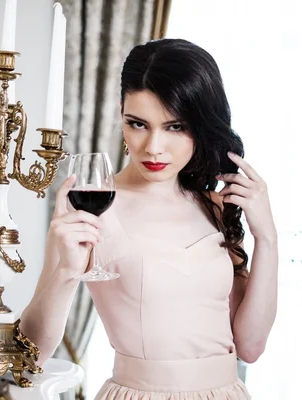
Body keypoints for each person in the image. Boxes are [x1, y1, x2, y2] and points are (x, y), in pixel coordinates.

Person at [19, 38, 278, 399]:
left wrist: (268, 239)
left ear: (202, 127)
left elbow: (250, 346)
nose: (154, 147)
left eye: (175, 127)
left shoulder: (214, 206)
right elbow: (32, 355)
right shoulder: (91, 209)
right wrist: (65, 272)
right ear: (121, 114)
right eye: (138, 124)